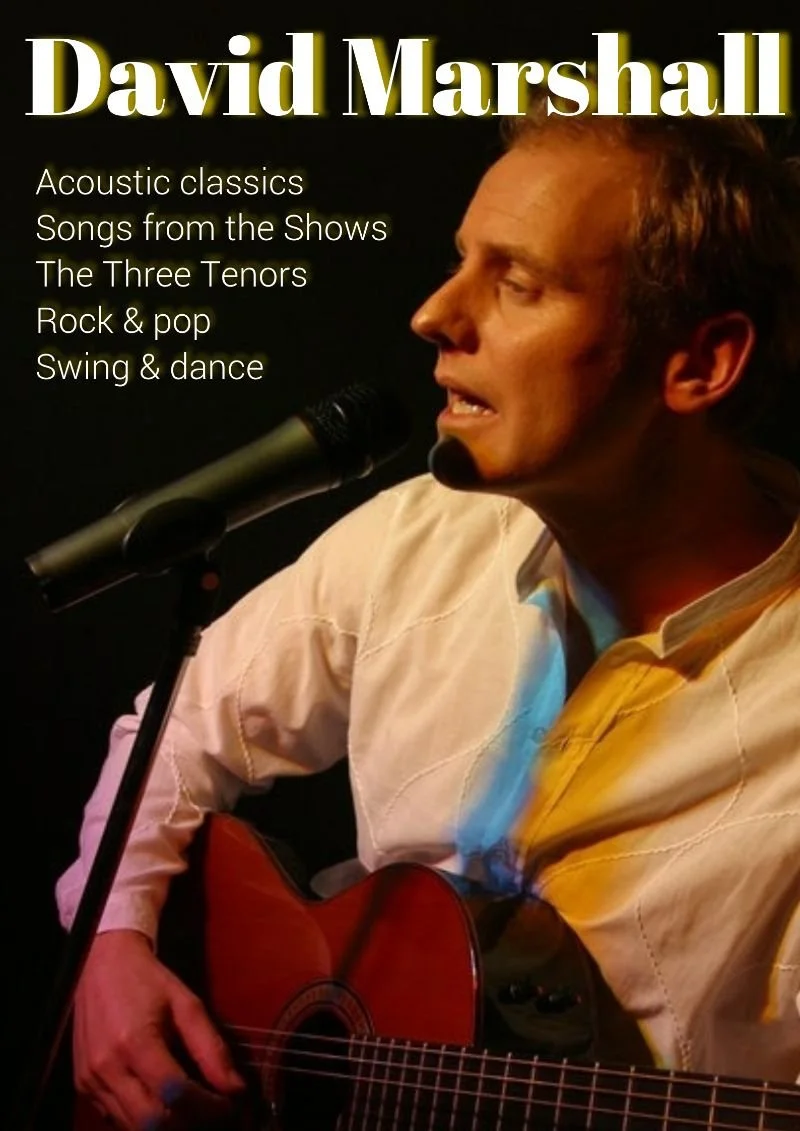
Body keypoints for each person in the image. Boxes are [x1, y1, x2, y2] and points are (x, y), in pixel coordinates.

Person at [57, 99, 800, 1130]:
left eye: (518, 283)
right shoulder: (422, 532)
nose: (434, 314)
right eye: (461, 261)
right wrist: (109, 945)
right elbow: (172, 734)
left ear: (698, 362)